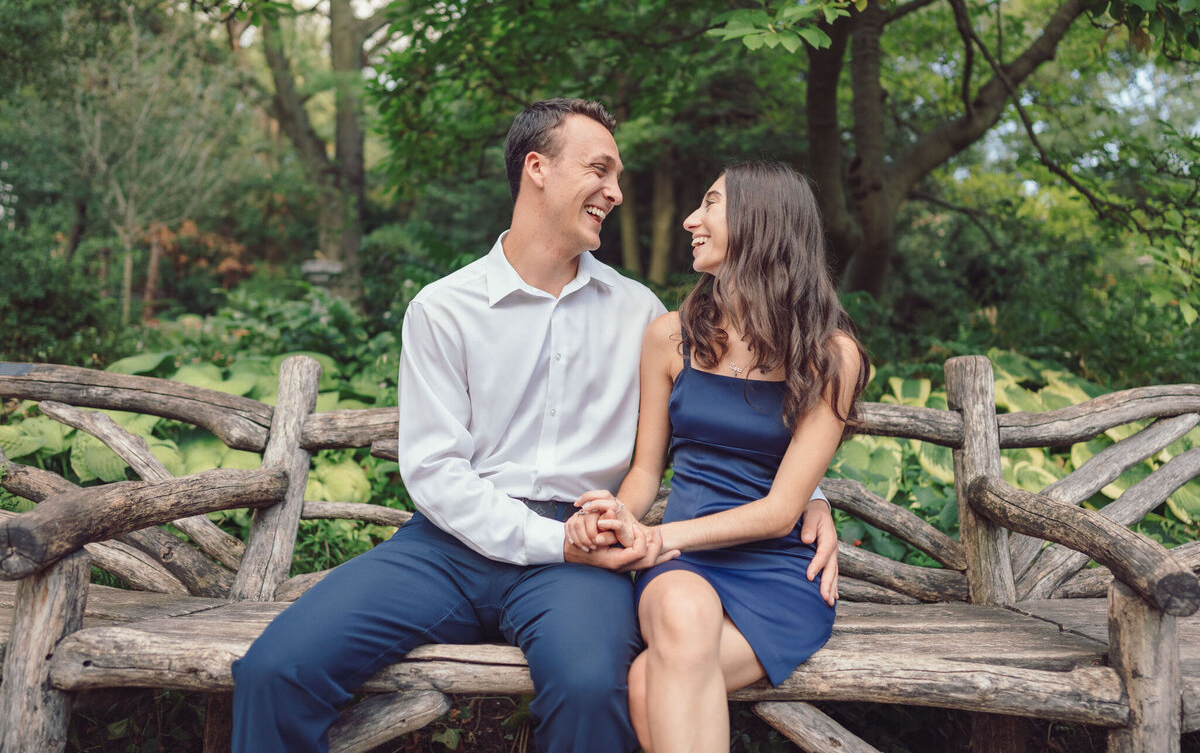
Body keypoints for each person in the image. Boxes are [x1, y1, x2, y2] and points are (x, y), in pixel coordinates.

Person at [230, 100, 840, 753]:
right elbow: (434, 472)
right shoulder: (443, 309)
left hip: (579, 558)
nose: (616, 191)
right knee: (274, 671)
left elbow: (719, 416)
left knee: (589, 689)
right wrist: (556, 543)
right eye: (600, 170)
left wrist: (809, 494)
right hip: (447, 547)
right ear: (537, 168)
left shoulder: (643, 313)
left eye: (618, 175)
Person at [565, 160, 868, 752]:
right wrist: (628, 519)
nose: (690, 220)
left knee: (646, 680)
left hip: (779, 568)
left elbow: (783, 509)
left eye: (710, 204)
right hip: (682, 562)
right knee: (680, 614)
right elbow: (647, 470)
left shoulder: (831, 355)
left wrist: (665, 536)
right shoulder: (668, 337)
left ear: (762, 223)